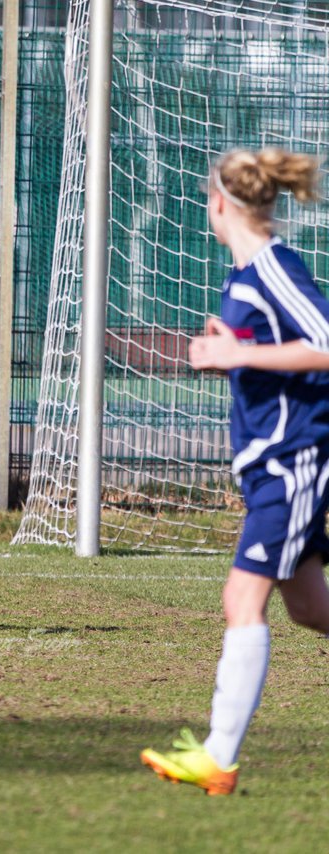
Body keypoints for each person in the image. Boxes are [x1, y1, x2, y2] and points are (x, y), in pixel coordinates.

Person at [140, 148, 329, 795]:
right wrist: (235, 354)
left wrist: (236, 351)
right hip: (270, 462)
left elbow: (326, 344)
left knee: (240, 599)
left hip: (293, 459)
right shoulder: (243, 277)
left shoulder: (274, 268)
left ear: (220, 204)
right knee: (309, 608)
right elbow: (279, 353)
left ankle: (217, 758)